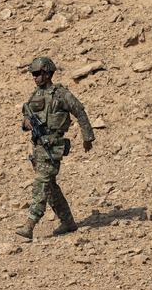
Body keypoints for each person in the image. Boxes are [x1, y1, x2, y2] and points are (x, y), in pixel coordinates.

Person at [15, 57, 95, 240]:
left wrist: (87, 137)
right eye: (33, 74)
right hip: (37, 147)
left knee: (41, 184)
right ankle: (68, 222)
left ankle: (30, 224)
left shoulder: (61, 94)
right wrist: (26, 123)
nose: (34, 77)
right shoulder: (35, 95)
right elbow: (27, 117)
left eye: (37, 74)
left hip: (53, 146)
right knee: (50, 187)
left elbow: (79, 111)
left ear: (47, 73)